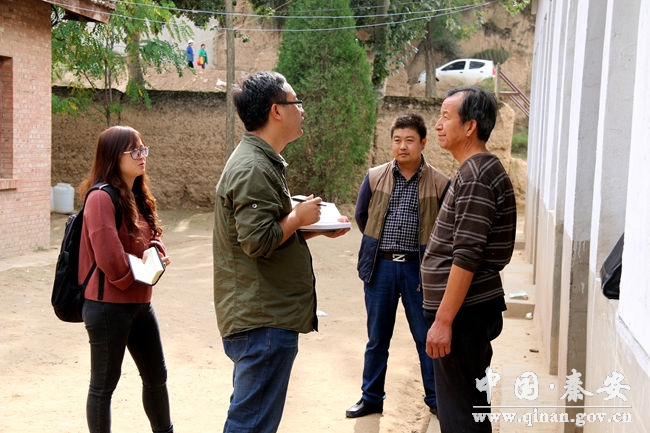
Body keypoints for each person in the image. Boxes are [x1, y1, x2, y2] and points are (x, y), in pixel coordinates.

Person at [212, 71, 350, 433]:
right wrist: (298, 217)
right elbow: (257, 241)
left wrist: (312, 227)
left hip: (265, 317)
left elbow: (267, 232)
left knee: (253, 420)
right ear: (276, 111)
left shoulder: (261, 160)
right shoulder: (253, 167)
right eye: (296, 102)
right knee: (251, 424)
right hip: (263, 320)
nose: (301, 110)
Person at [421, 86, 517, 433]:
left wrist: (443, 321)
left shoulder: (476, 176)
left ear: (470, 126)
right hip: (467, 311)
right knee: (467, 408)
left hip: (464, 315)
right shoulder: (475, 170)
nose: (438, 125)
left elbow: (466, 256)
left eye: (446, 117)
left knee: (460, 414)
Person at [346, 114, 450, 419]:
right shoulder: (375, 176)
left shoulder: (440, 182)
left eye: (409, 140)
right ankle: (371, 398)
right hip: (381, 268)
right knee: (377, 338)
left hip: (419, 271)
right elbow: (362, 216)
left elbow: (447, 228)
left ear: (423, 143)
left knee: (425, 337)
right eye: (397, 140)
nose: (402, 146)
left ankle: (436, 398)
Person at [78, 125, 174, 433]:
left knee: (156, 377)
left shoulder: (137, 194)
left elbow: (153, 237)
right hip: (108, 307)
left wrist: (156, 254)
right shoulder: (100, 198)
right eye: (134, 151)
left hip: (140, 303)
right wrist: (143, 268)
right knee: (104, 386)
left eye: (143, 149)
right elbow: (110, 261)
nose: (142, 156)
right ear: (112, 156)